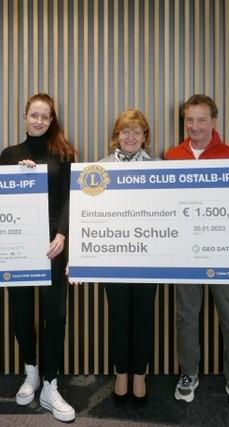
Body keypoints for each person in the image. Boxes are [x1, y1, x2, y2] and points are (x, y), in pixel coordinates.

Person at [164, 94, 229, 412]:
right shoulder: (172, 156)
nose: (194, 126)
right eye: (189, 120)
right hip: (185, 253)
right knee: (186, 317)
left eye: (201, 119)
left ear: (213, 121)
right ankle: (189, 374)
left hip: (225, 253)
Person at [0, 93, 77, 422]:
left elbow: (70, 198)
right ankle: (31, 372)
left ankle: (50, 383)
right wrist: (19, 176)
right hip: (17, 243)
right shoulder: (9, 155)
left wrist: (62, 235)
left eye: (45, 116)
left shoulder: (64, 153)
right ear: (25, 116)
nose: (39, 121)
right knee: (20, 309)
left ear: (52, 119)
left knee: (55, 314)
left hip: (52, 244)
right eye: (34, 115)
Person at [99, 109, 157, 408]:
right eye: (125, 131)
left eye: (137, 131)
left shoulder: (159, 167)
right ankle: (121, 373)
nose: (131, 136)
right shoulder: (99, 169)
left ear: (145, 136)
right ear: (116, 136)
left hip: (149, 258)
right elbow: (90, 215)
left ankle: (140, 375)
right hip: (114, 258)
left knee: (144, 317)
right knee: (119, 317)